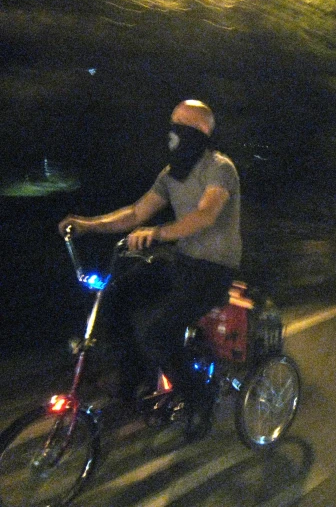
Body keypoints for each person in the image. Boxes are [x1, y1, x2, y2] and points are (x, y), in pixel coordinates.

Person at [58, 100, 242, 438]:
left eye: (183, 123)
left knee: (158, 332)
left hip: (213, 270)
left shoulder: (219, 168)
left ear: (202, 130)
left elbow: (205, 215)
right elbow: (135, 213)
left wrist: (157, 233)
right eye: (172, 122)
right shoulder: (172, 174)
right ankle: (135, 377)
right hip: (183, 262)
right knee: (114, 297)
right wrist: (87, 225)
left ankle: (200, 399)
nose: (174, 130)